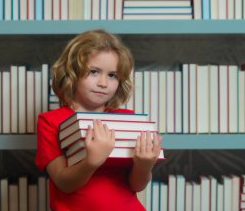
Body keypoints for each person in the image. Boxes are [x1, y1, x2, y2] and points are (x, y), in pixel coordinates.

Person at [35, 29, 162, 211]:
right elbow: (64, 182)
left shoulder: (127, 119)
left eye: (112, 75)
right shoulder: (50, 121)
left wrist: (144, 166)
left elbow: (136, 186)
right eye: (94, 72)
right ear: (72, 72)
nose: (103, 83)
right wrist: (91, 162)